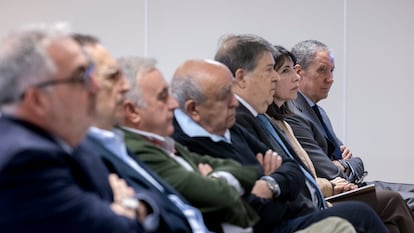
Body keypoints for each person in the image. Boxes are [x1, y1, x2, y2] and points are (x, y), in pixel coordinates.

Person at [170, 56, 388, 232]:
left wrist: (270, 184)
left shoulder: (230, 126)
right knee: (358, 216)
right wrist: (273, 186)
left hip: (290, 213)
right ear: (193, 109)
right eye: (225, 95)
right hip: (272, 224)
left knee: (364, 211)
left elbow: (292, 169)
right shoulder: (185, 145)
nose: (234, 101)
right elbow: (247, 213)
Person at [0, 23, 148, 232]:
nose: (95, 87)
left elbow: (148, 197)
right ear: (38, 100)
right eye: (81, 77)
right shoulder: (25, 161)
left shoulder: (68, 141)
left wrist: (123, 206)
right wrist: (128, 206)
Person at [267, 44, 414, 233]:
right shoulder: (292, 115)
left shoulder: (313, 112)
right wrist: (339, 167)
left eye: (332, 71)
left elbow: (350, 161)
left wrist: (345, 164)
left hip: (337, 187)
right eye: (322, 71)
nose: (330, 79)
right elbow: (328, 171)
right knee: (393, 201)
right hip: (325, 195)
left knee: (393, 218)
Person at [73, 34, 210, 233]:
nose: (125, 87)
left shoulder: (114, 141)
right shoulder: (80, 149)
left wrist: (142, 204)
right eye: (112, 76)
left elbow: (156, 198)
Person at [117, 56, 261, 233]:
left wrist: (212, 180)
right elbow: (219, 197)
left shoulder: (163, 142)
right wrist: (217, 184)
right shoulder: (138, 150)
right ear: (132, 111)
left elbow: (248, 171)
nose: (174, 104)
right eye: (163, 97)